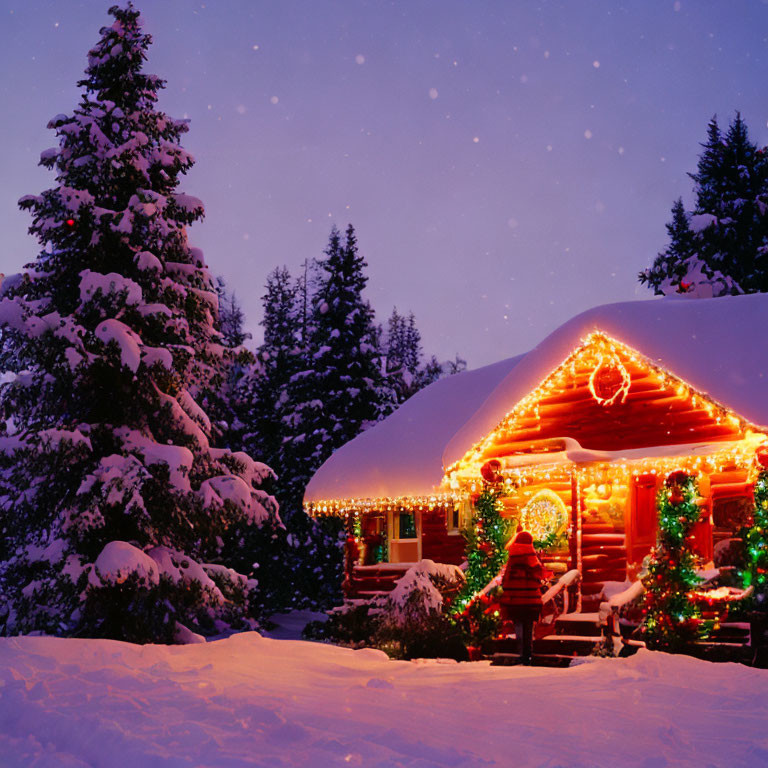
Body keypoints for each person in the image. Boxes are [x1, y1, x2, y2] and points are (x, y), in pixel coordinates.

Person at [499, 530, 551, 665]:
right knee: (528, 627)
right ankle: (527, 654)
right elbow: (539, 575)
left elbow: (506, 580)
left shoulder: (512, 557)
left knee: (518, 625)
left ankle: (520, 652)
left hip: (515, 598)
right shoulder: (532, 556)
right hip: (530, 599)